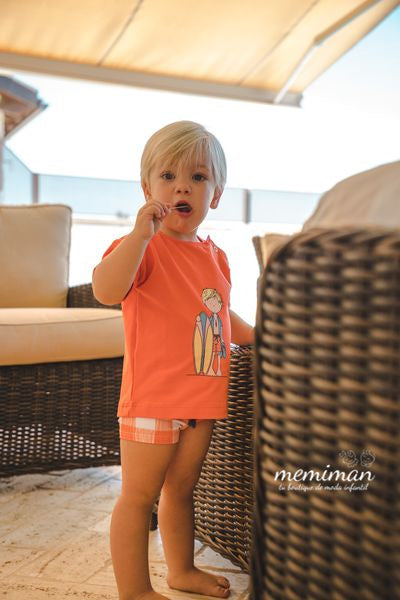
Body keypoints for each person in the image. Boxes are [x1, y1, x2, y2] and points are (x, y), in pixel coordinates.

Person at [92, 121, 254, 600]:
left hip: (202, 396)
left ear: (215, 195)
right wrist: (138, 236)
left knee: (181, 491)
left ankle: (181, 570)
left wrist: (263, 336)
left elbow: (221, 314)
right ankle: (135, 590)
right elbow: (106, 290)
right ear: (148, 190)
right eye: (168, 176)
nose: (182, 186)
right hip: (154, 397)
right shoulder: (143, 248)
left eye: (198, 177)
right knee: (138, 496)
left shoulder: (216, 257)